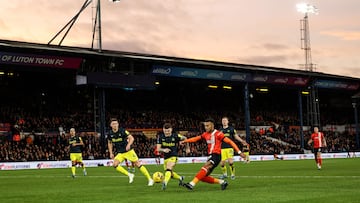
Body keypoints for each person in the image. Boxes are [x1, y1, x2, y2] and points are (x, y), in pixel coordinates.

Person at [181, 118, 243, 190]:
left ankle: (191, 184)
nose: (206, 127)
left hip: (216, 155)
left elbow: (230, 142)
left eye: (208, 126)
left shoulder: (218, 134)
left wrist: (239, 152)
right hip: (211, 155)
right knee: (203, 177)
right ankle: (222, 182)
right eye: (205, 126)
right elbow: (196, 138)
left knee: (206, 166)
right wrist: (185, 141)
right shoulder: (205, 134)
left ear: (212, 125)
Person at [107, 118, 154, 186]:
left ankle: (150, 179)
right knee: (115, 164)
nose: (115, 125)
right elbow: (109, 143)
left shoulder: (122, 131)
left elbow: (131, 138)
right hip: (120, 153)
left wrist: (128, 145)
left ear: (118, 124)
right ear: (110, 125)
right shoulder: (110, 134)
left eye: (116, 124)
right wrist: (111, 152)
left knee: (138, 164)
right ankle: (130, 174)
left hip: (128, 151)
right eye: (113, 124)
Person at [156, 123, 190, 190]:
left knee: (168, 168)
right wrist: (164, 150)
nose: (167, 132)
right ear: (163, 130)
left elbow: (185, 138)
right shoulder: (160, 137)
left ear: (171, 130)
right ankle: (180, 178)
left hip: (173, 156)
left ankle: (165, 182)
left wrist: (187, 148)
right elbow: (158, 149)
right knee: (170, 174)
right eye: (165, 131)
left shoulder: (175, 136)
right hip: (165, 157)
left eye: (168, 131)